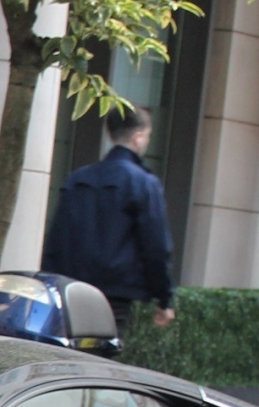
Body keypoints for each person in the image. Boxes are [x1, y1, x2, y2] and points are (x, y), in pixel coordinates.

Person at [40, 105, 176, 329]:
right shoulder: (143, 183)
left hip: (69, 291)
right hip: (114, 296)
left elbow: (56, 240)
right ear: (139, 137)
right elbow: (156, 247)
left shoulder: (77, 179)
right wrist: (164, 298)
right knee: (102, 356)